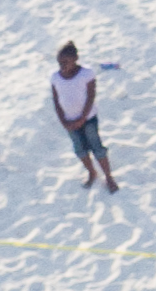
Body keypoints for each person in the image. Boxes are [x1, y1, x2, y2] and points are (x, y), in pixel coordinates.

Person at [49, 40, 117, 193]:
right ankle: (91, 172)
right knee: (80, 150)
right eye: (60, 62)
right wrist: (63, 121)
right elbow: (56, 100)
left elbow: (90, 97)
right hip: (69, 121)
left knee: (97, 147)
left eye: (66, 62)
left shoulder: (86, 73)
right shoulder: (55, 77)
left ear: (75, 59)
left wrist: (82, 118)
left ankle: (108, 176)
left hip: (88, 119)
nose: (62, 66)